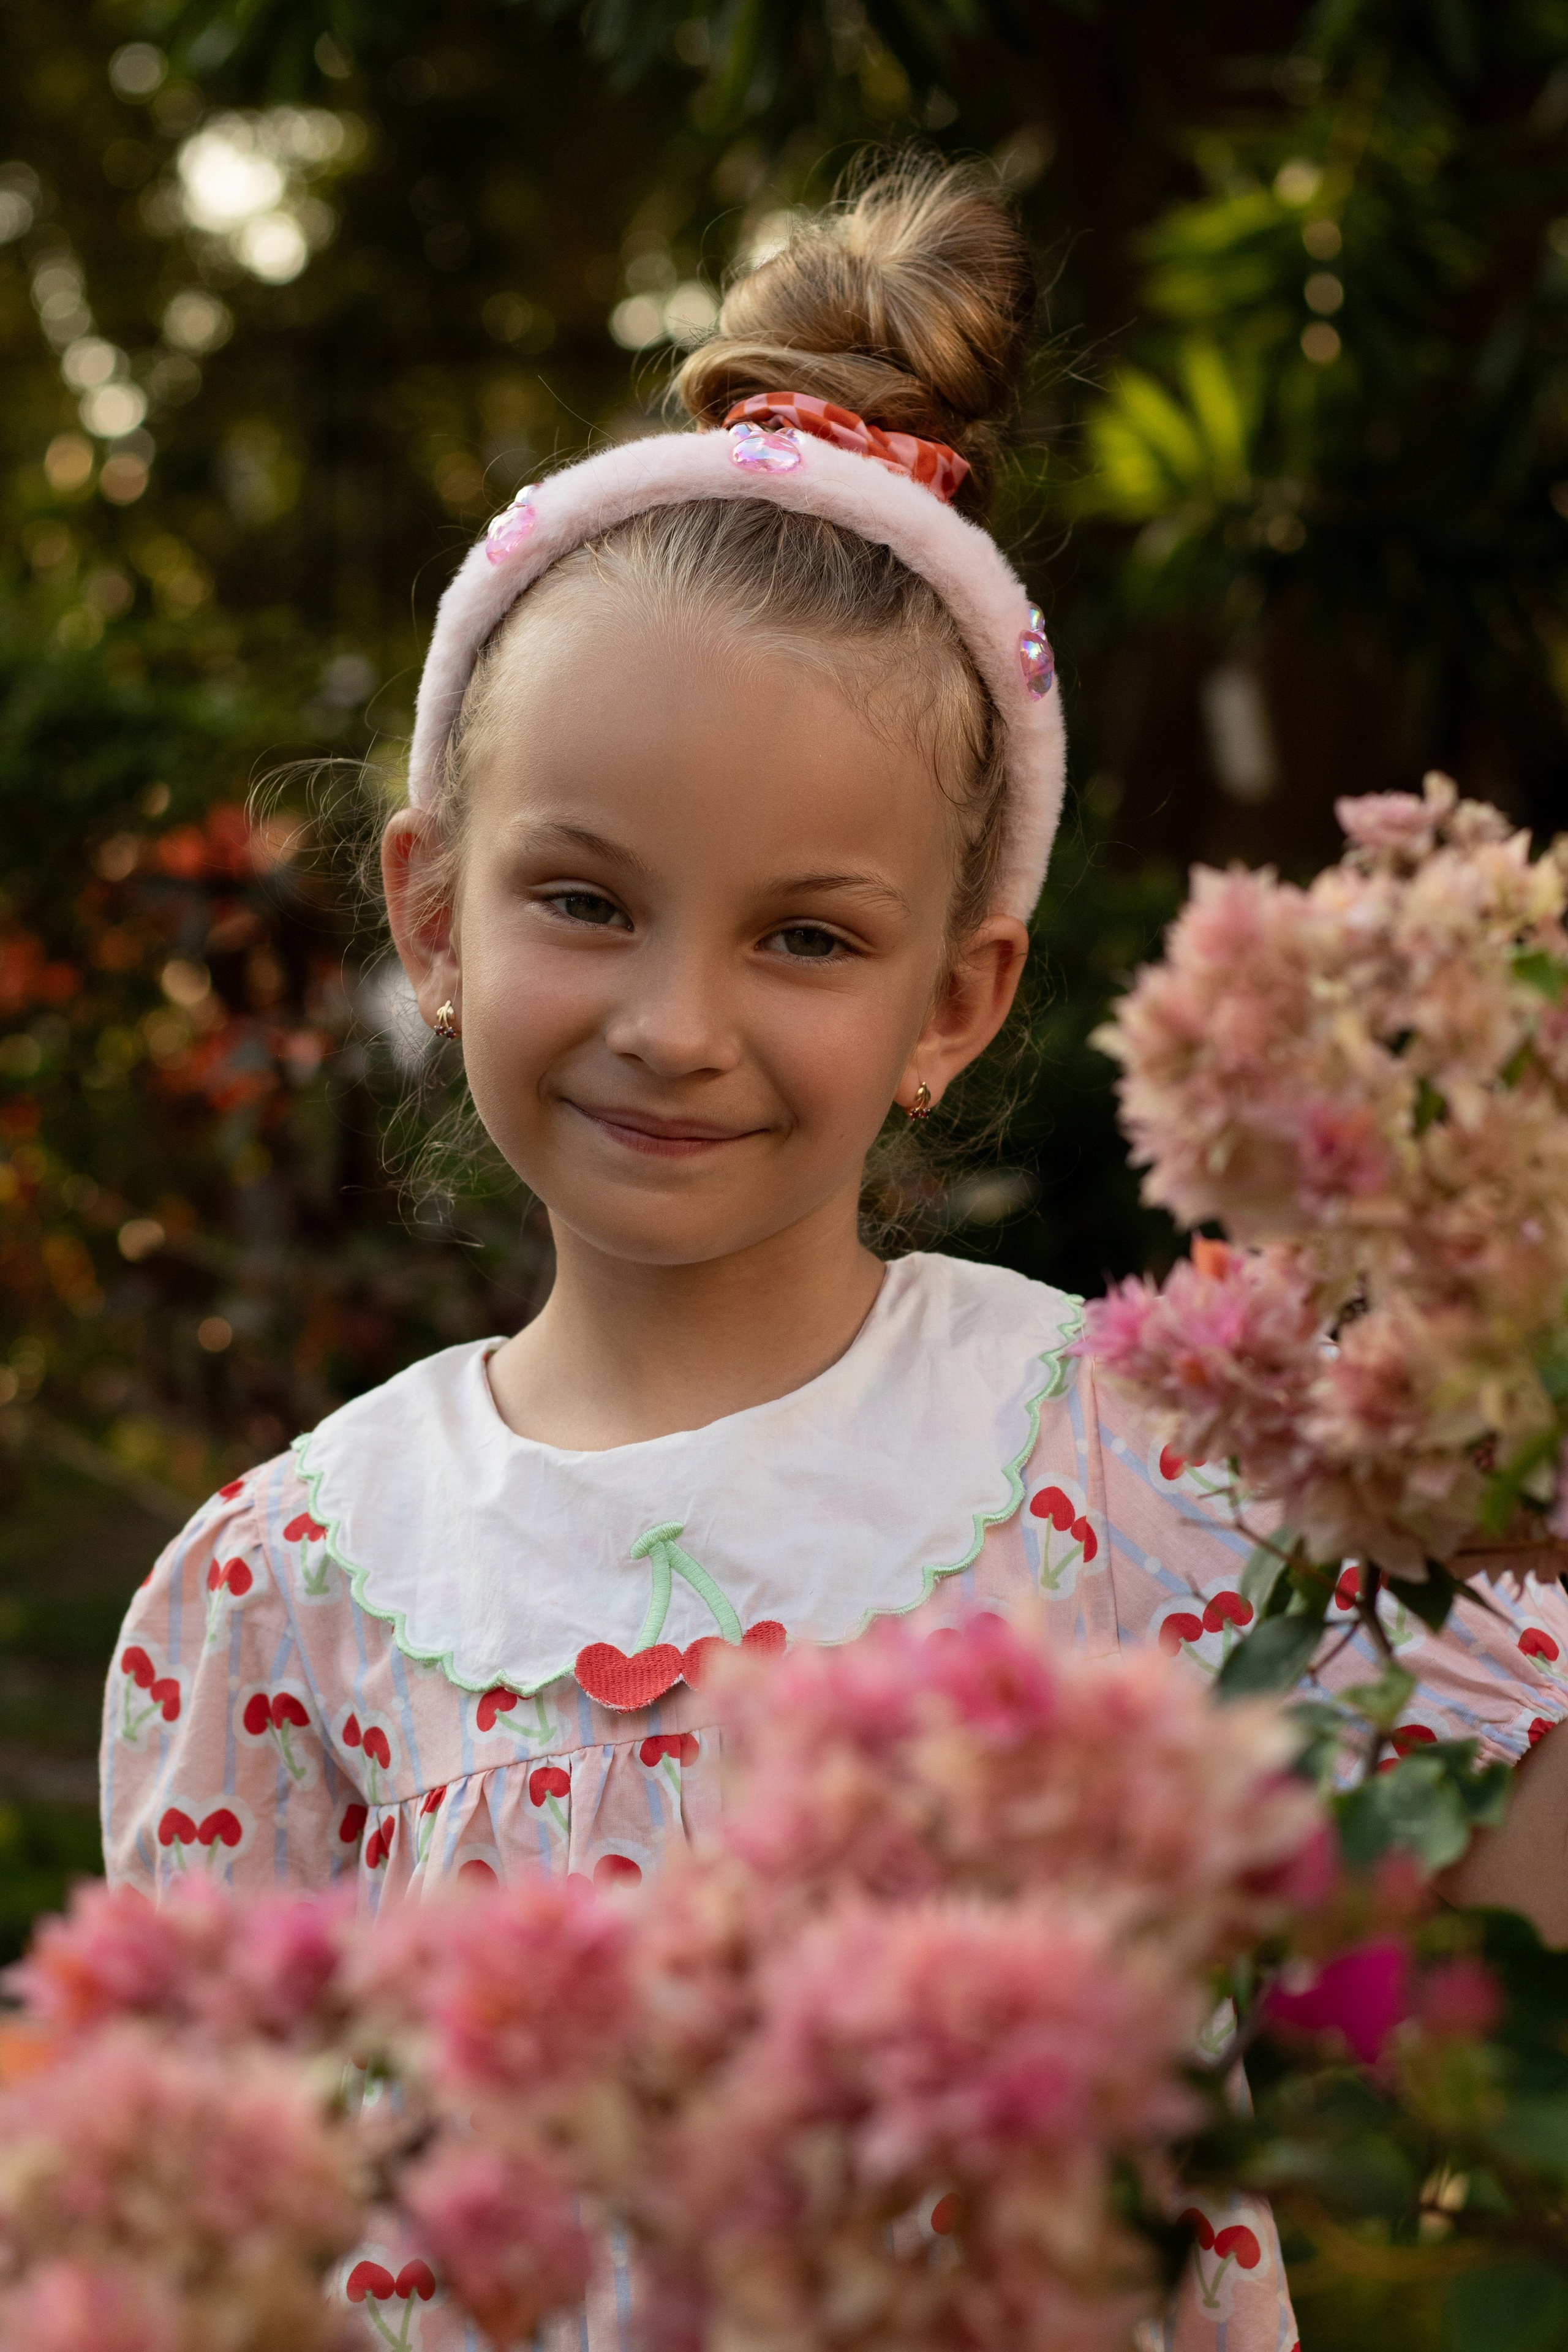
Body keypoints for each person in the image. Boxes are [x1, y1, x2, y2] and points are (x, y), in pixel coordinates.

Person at [101, 156, 1568, 2352]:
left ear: (953, 1004)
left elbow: (1485, 1918)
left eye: (805, 936)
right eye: (585, 898)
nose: (675, 1023)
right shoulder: (289, 1587)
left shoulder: (1146, 1456)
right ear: (429, 907)